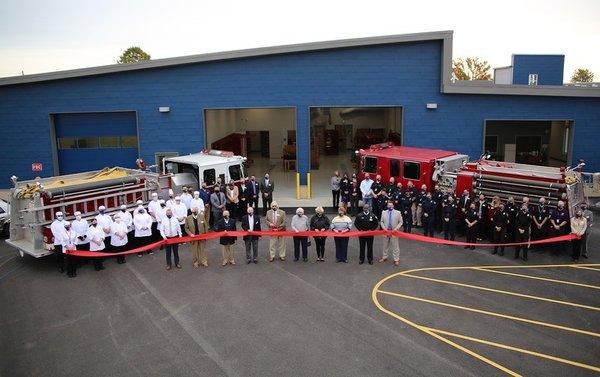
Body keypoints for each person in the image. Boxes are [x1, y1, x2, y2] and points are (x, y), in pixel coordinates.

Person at [380, 201, 403, 266]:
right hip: (386, 232)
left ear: (393, 206)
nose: (390, 206)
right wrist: (384, 229)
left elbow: (401, 222)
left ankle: (396, 259)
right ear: (387, 206)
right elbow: (381, 221)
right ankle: (384, 257)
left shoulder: (398, 213)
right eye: (389, 205)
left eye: (391, 205)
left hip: (394, 232)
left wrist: (396, 229)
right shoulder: (383, 212)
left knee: (395, 246)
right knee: (385, 245)